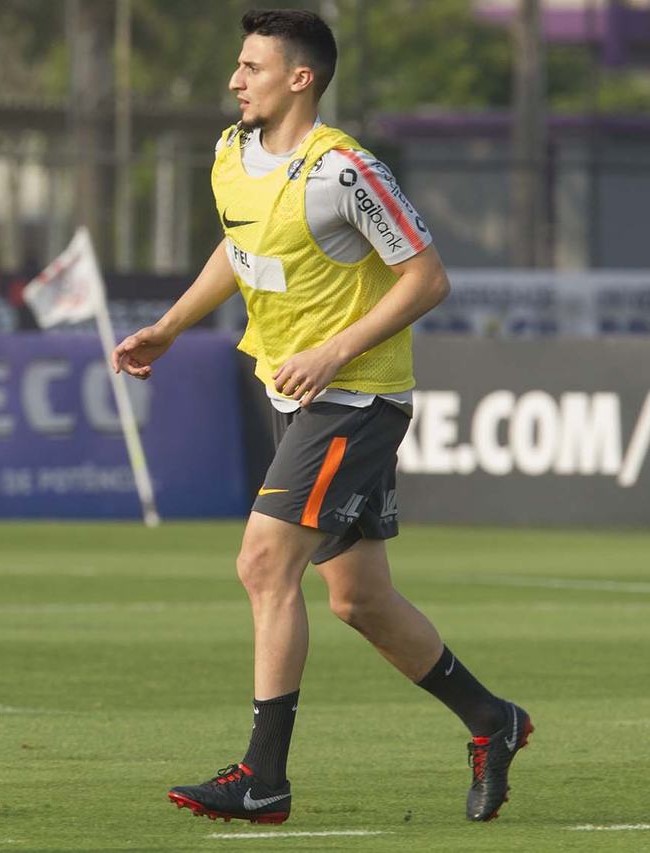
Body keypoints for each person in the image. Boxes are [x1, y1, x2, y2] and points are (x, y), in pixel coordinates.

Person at [111, 8, 531, 825]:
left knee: (265, 563)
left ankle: (263, 778)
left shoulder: (344, 171)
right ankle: (494, 720)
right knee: (359, 599)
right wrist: (169, 327)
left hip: (356, 398)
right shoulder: (232, 154)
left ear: (299, 78)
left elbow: (427, 278)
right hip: (290, 390)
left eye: (251, 66)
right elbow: (239, 250)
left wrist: (335, 351)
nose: (235, 78)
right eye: (237, 64)